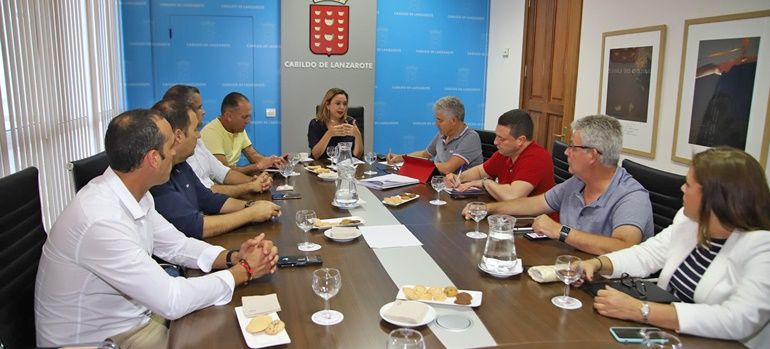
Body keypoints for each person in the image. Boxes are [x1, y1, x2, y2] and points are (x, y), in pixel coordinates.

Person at [34, 109, 279, 348]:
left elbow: (177, 245)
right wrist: (243, 271)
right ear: (153, 158)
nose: (176, 153)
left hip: (135, 318)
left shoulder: (135, 193)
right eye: (171, 146)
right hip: (99, 340)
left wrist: (232, 258)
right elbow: (171, 299)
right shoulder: (101, 220)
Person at [581, 147, 770, 348]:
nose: (682, 189)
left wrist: (641, 310)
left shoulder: (761, 247)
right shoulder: (689, 222)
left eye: (688, 185)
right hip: (666, 336)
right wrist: (599, 263)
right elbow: (647, 253)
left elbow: (738, 318)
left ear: (714, 197)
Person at [464, 115, 653, 255]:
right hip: (570, 266)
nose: (566, 153)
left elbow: (625, 246)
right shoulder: (577, 183)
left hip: (607, 288)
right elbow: (532, 204)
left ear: (592, 155)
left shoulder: (631, 196)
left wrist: (561, 231)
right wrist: (487, 208)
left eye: (572, 147)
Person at [151, 100, 281, 239]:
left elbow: (208, 198)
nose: (199, 135)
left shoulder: (181, 165)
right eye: (195, 129)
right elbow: (194, 225)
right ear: (178, 135)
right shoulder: (157, 177)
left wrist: (250, 205)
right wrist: (251, 213)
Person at [162, 85, 272, 199]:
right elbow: (207, 192)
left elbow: (222, 172)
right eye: (199, 107)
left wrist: (255, 181)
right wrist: (250, 186)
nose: (204, 112)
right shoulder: (181, 155)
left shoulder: (198, 141)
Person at [444, 109, 554, 201]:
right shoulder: (505, 153)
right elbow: (479, 171)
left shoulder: (536, 158)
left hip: (533, 223)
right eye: (497, 136)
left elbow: (512, 197)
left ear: (521, 140)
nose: (495, 142)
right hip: (508, 216)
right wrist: (458, 178)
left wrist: (485, 183)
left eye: (501, 139)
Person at [386, 96, 483, 174]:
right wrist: (401, 158)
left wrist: (417, 164)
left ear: (453, 120)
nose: (436, 124)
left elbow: (447, 168)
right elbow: (425, 155)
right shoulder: (443, 133)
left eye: (440, 120)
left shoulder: (471, 137)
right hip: (439, 183)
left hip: (460, 191)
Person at [200, 92, 284, 175]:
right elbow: (223, 172)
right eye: (244, 117)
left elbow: (253, 155)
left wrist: (273, 162)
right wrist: (257, 166)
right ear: (229, 116)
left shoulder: (238, 128)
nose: (248, 121)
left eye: (249, 116)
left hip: (232, 179)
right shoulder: (210, 133)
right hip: (216, 184)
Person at [307, 87, 363, 159]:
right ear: (327, 105)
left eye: (345, 104)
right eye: (338, 103)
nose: (342, 107)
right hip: (322, 168)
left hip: (346, 167)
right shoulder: (316, 124)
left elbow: (357, 155)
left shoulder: (350, 122)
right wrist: (329, 133)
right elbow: (315, 155)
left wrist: (357, 135)